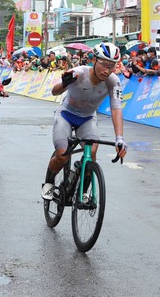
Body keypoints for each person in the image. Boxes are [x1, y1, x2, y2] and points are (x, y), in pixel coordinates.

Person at [41, 41, 127, 200]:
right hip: (66, 114)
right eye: (104, 65)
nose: (107, 70)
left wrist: (119, 138)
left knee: (91, 153)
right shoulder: (78, 73)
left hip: (87, 118)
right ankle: (49, 182)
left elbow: (116, 108)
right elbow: (54, 92)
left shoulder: (114, 82)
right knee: (62, 155)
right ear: (94, 60)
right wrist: (63, 84)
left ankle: (83, 192)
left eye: (112, 66)